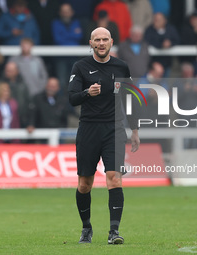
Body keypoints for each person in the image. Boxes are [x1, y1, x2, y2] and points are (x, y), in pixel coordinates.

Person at [68, 27, 140, 244]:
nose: (101, 43)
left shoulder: (121, 66)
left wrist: (134, 130)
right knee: (84, 184)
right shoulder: (80, 67)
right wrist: (86, 93)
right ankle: (86, 228)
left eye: (105, 39)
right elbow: (72, 98)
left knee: (115, 179)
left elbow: (130, 99)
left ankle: (114, 232)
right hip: (89, 129)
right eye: (97, 40)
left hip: (114, 129)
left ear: (111, 42)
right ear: (91, 43)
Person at [0, 61, 31, 129]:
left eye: (11, 70)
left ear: (17, 71)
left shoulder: (23, 85)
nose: (8, 72)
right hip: (1, 119)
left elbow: (27, 101)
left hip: (21, 118)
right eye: (7, 70)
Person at [52, 3, 82, 88]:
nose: (65, 13)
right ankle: (62, 101)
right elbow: (57, 39)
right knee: (61, 81)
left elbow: (79, 37)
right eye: (63, 11)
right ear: (60, 13)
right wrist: (72, 34)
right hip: (61, 57)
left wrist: (65, 35)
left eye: (67, 11)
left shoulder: (76, 22)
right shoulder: (55, 23)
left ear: (72, 12)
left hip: (74, 56)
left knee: (74, 81)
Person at [144, 12, 180, 76]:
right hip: (154, 63)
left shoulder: (170, 29)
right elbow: (147, 42)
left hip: (167, 62)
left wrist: (170, 44)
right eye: (155, 19)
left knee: (165, 82)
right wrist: (161, 45)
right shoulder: (149, 30)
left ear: (164, 21)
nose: (156, 21)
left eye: (159, 20)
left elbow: (177, 40)